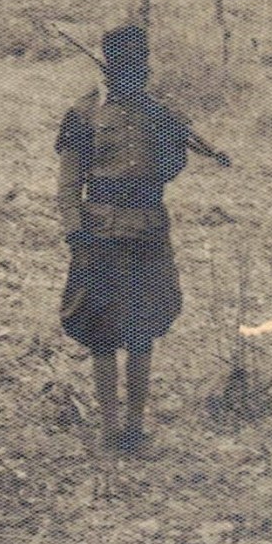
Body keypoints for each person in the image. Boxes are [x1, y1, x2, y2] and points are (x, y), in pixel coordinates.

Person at [56, 26, 195, 455]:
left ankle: (135, 429)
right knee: (101, 331)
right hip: (101, 237)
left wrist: (174, 137)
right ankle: (110, 431)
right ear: (110, 66)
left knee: (143, 330)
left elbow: (169, 170)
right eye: (127, 64)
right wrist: (76, 234)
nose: (137, 71)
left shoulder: (157, 114)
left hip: (149, 234)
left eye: (141, 63)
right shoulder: (83, 115)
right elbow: (67, 186)